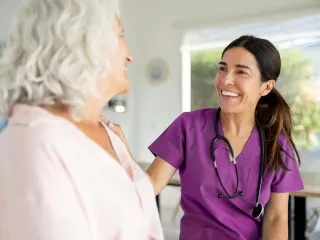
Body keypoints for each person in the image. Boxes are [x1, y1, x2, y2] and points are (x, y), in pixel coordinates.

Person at [110, 35, 304, 239]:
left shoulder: (276, 144)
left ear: (266, 87)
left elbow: (277, 218)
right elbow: (150, 186)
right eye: (222, 68)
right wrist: (121, 149)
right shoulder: (189, 126)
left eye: (241, 72)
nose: (226, 80)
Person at [0, 0, 163, 239]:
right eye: (120, 35)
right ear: (81, 42)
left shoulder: (108, 131)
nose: (130, 56)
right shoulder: (34, 143)